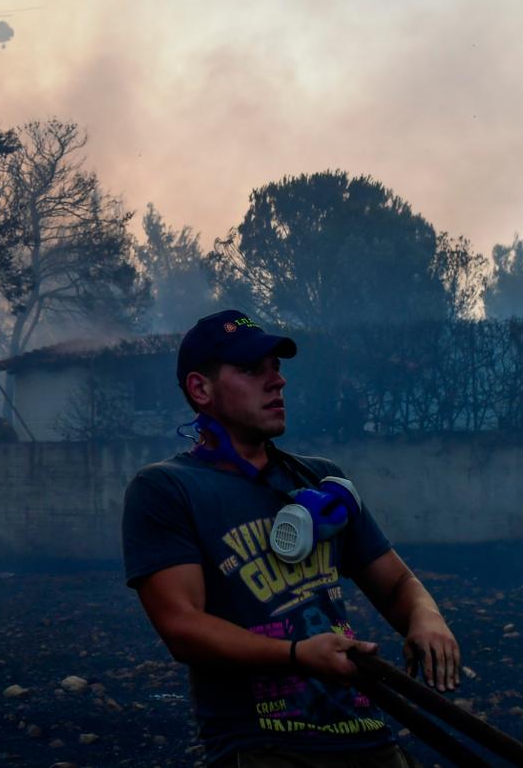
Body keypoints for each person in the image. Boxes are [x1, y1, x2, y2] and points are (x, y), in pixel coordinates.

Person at [122, 310, 460, 768]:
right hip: (265, 747)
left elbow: (398, 584)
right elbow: (183, 626)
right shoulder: (167, 488)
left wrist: (427, 619)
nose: (276, 381)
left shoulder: (323, 481)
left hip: (368, 737)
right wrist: (298, 655)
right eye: (250, 369)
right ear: (200, 389)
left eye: (276, 367)